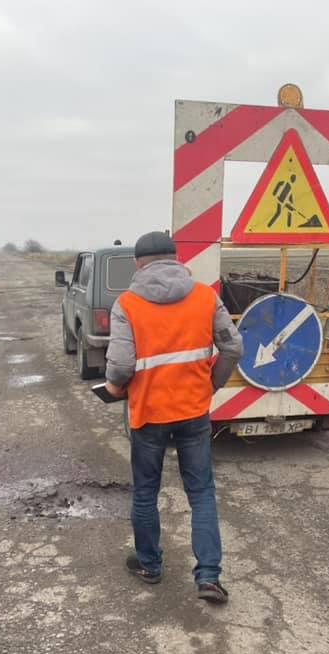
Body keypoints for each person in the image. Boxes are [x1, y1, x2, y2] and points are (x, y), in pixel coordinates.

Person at [104, 231, 244, 603]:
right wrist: (211, 385)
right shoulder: (203, 296)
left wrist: (115, 387)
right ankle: (209, 577)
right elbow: (233, 346)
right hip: (194, 411)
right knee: (201, 494)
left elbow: (119, 365)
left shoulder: (128, 304)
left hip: (149, 413)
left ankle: (149, 565)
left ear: (138, 263)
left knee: (146, 491)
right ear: (175, 258)